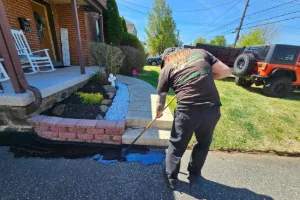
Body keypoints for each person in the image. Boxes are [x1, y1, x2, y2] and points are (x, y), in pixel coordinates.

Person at [156, 47, 232, 190]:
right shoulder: (202, 53)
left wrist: (158, 113)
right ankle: (194, 173)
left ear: (166, 58)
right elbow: (226, 71)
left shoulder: (167, 67)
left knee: (176, 145)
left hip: (187, 111)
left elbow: (161, 97)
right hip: (212, 109)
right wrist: (205, 75)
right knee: (203, 144)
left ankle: (171, 177)